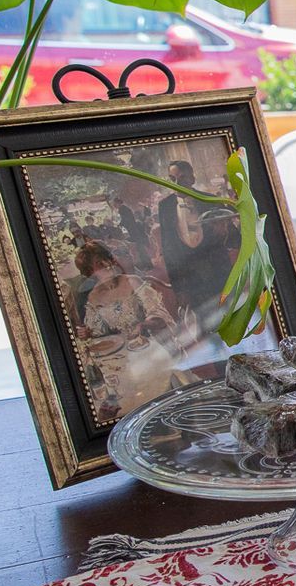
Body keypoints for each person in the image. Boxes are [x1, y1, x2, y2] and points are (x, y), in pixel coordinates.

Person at [72, 241, 176, 420]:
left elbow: (158, 313)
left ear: (110, 260)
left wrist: (143, 325)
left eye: (103, 261)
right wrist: (87, 333)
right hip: (117, 355)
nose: (103, 267)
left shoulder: (132, 281)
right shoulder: (94, 296)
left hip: (145, 346)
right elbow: (98, 332)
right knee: (107, 384)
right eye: (95, 267)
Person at [156, 158, 236, 334]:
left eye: (182, 178)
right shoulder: (165, 207)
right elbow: (169, 250)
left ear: (192, 179)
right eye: (173, 179)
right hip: (191, 280)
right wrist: (179, 289)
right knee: (206, 331)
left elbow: (234, 239)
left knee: (230, 323)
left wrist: (225, 230)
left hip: (218, 275)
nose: (177, 183)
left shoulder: (211, 200)